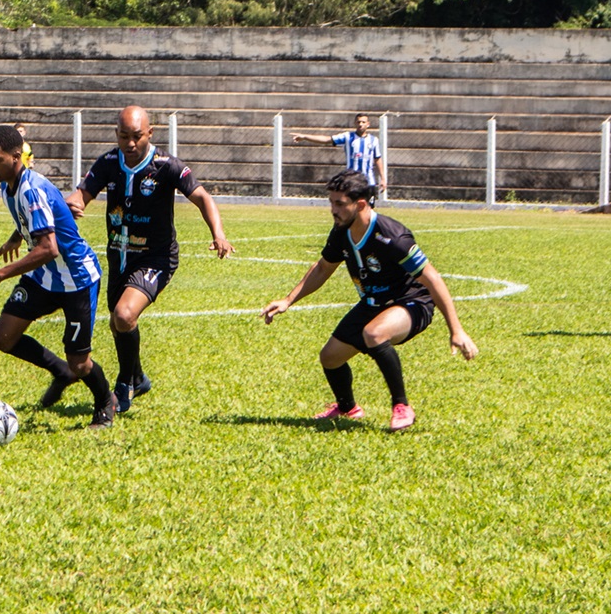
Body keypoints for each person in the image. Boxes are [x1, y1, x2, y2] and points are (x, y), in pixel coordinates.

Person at [260, 170, 478, 431]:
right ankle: (347, 408)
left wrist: (456, 329)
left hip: (412, 302)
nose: (333, 210)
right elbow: (323, 268)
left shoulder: (392, 236)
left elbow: (433, 280)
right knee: (330, 358)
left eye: (339, 204)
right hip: (373, 302)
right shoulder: (341, 231)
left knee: (374, 333)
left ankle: (402, 407)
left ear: (360, 204)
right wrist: (288, 300)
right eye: (331, 202)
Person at [65, 105, 234, 413]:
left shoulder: (166, 165)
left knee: (125, 315)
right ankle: (139, 377)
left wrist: (218, 233)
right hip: (119, 255)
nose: (130, 144)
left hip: (156, 258)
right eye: (124, 137)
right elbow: (81, 194)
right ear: (116, 134)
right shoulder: (107, 163)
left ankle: (125, 383)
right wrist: (74, 203)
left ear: (150, 134)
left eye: (137, 137)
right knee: (119, 324)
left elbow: (202, 197)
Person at [0, 123, 117, 428]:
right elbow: (36, 219)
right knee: (4, 337)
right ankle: (61, 372)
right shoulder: (9, 183)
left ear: (16, 156)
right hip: (44, 277)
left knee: (80, 361)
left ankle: (105, 402)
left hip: (76, 279)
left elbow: (49, 248)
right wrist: (16, 236)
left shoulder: (31, 188)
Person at [293, 113, 387, 199]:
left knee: (368, 209)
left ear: (368, 124)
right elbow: (327, 139)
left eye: (363, 122)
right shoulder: (347, 137)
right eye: (358, 122)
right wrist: (305, 137)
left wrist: (382, 178)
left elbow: (377, 159)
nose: (360, 124)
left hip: (368, 181)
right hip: (351, 180)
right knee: (351, 208)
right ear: (355, 123)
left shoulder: (374, 140)